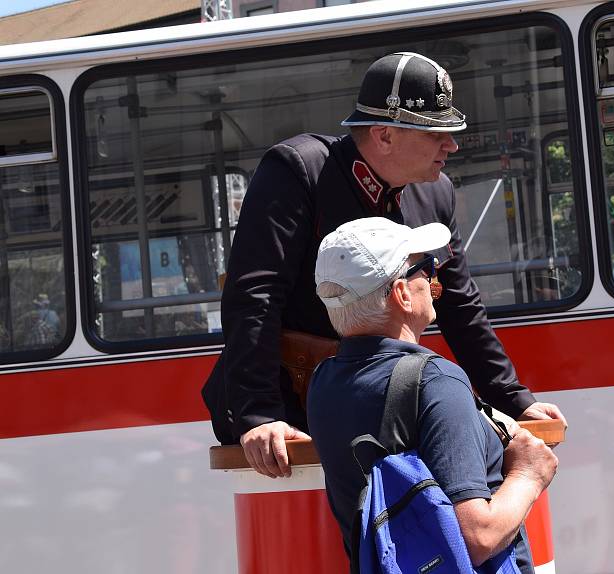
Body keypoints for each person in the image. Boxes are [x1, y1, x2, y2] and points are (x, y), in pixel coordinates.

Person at [202, 51, 566, 477]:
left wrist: (514, 399)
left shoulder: (437, 193)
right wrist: (259, 415)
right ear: (384, 135)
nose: (451, 145)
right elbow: (254, 295)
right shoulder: (299, 170)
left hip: (373, 406)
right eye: (435, 134)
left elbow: (460, 306)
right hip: (285, 413)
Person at [307, 217, 558, 572]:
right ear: (402, 294)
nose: (433, 278)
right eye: (425, 268)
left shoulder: (324, 383)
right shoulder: (436, 380)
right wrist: (528, 475)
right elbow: (476, 538)